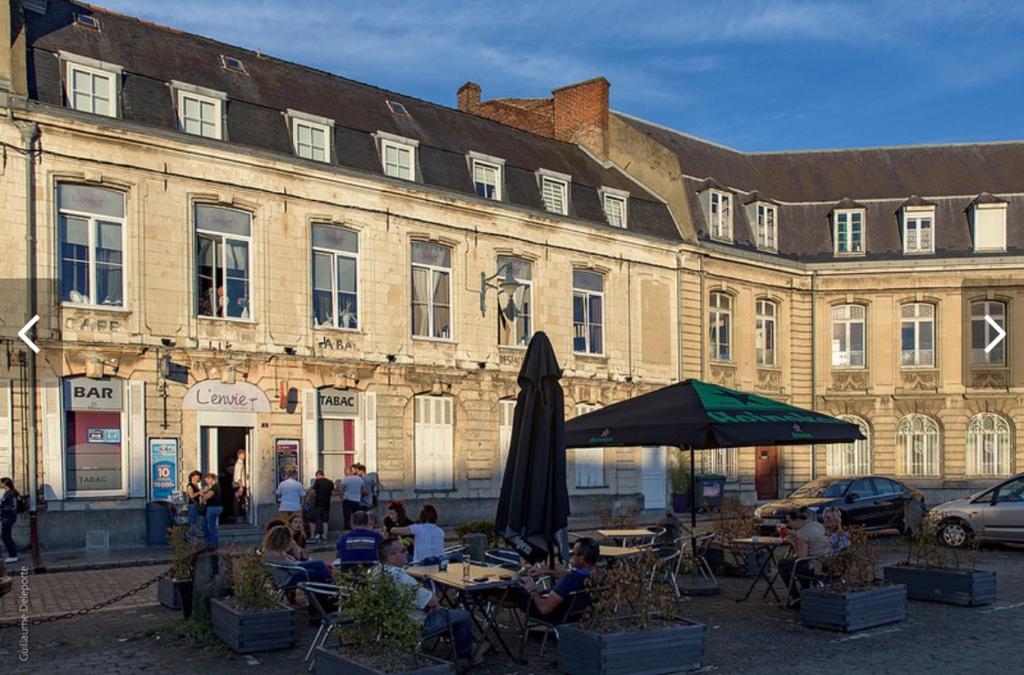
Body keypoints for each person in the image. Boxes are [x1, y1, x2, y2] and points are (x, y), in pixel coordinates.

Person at [376, 536, 483, 664]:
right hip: (417, 624)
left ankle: (466, 645)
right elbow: (433, 601)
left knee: (446, 612)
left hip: (390, 623)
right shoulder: (401, 578)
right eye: (403, 550)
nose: (407, 552)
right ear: (391, 558)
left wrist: (432, 605)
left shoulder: (375, 572)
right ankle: (465, 656)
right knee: (463, 615)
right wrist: (433, 604)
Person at [515, 537, 599, 624]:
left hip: (556, 617)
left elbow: (544, 608)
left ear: (582, 558)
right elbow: (570, 575)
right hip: (578, 617)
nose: (571, 555)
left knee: (516, 592)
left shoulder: (569, 581)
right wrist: (546, 571)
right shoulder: (598, 575)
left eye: (573, 553)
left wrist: (533, 589)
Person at [778, 507, 831, 602]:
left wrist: (793, 542)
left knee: (784, 564)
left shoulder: (802, 533)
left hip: (816, 567)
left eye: (790, 521)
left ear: (798, 520)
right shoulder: (817, 525)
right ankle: (805, 590)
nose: (789, 525)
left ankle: (795, 596)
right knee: (795, 564)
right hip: (828, 562)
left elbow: (802, 556)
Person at [262, 525, 333, 585]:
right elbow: (294, 569)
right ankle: (332, 587)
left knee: (319, 566)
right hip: (288, 579)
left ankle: (329, 587)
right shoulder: (276, 555)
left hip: (289, 574)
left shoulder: (271, 552)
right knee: (319, 566)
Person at [309, 470, 335, 543]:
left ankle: (312, 536)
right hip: (327, 504)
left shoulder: (317, 481)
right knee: (325, 520)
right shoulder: (330, 482)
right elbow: (333, 493)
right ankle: (325, 537)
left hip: (318, 503)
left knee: (313, 519)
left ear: (318, 475)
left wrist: (308, 499)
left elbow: (313, 492)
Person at [199, 472, 223, 548]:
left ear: (212, 479)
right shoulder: (211, 487)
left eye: (207, 480)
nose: (207, 482)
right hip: (209, 507)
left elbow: (207, 497)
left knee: (211, 526)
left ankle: (214, 543)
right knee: (203, 524)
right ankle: (208, 542)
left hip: (213, 507)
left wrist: (203, 495)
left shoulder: (215, 487)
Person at [340, 466, 366, 530]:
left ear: (346, 472)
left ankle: (347, 529)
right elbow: (364, 490)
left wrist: (342, 498)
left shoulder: (345, 479)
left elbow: (341, 490)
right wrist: (359, 494)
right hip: (357, 500)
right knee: (356, 516)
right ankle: (357, 528)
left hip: (347, 500)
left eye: (345, 471)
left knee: (347, 516)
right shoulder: (359, 479)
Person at [1, 477, 20, 563]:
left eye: (0, 482)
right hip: (6, 517)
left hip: (9, 517)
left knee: (6, 537)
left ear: (4, 483)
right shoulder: (7, 493)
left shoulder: (11, 493)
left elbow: (14, 506)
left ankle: (13, 555)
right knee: (5, 536)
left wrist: (3, 508)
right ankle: (12, 555)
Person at [184, 471, 204, 539]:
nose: (196, 479)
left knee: (196, 521)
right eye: (195, 478)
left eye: (198, 478)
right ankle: (191, 535)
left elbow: (199, 494)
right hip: (192, 504)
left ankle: (193, 535)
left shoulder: (197, 485)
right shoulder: (190, 485)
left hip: (197, 504)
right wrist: (199, 492)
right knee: (192, 521)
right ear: (192, 477)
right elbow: (191, 496)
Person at [232, 448, 248, 523]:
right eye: (244, 454)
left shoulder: (240, 463)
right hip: (238, 485)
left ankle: (240, 516)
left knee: (240, 501)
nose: (245, 456)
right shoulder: (239, 464)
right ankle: (238, 516)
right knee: (238, 501)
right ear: (240, 455)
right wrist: (241, 487)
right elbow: (238, 477)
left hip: (238, 485)